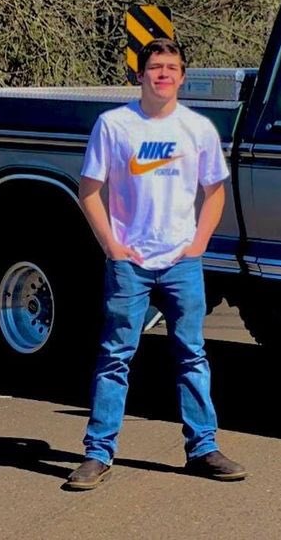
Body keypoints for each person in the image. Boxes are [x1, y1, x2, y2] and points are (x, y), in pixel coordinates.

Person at [63, 37, 247, 491]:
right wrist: (112, 247)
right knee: (115, 357)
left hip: (182, 262)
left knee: (192, 355)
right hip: (131, 264)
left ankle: (203, 447)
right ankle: (98, 453)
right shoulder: (114, 125)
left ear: (182, 77)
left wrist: (198, 243)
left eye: (172, 67)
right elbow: (89, 191)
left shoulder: (198, 129)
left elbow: (215, 192)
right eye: (155, 66)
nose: (163, 73)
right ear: (140, 74)